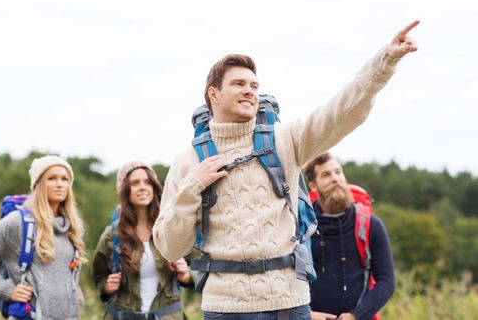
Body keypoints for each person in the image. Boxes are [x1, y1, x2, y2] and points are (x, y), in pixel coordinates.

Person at [153, 21, 419, 320]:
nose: (249, 91)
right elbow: (170, 248)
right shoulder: (188, 162)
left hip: (289, 304)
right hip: (225, 309)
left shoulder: (284, 141)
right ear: (213, 95)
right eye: (239, 84)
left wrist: (385, 61)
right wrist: (191, 189)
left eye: (254, 86)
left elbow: (340, 113)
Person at [0, 155, 87, 320]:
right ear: (38, 184)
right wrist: (7, 290)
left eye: (65, 179)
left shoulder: (70, 227)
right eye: (52, 178)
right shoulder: (19, 222)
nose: (60, 184)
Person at [92, 161, 195, 320]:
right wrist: (106, 286)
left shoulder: (171, 229)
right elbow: (98, 276)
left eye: (148, 182)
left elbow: (202, 265)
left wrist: (188, 276)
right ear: (124, 190)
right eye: (134, 183)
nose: (142, 187)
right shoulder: (112, 234)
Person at [304, 153, 394, 320]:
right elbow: (285, 279)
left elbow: (386, 281)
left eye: (338, 172)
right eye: (326, 175)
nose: (335, 178)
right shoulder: (303, 228)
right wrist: (306, 315)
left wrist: (356, 316)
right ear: (313, 186)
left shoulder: (370, 225)